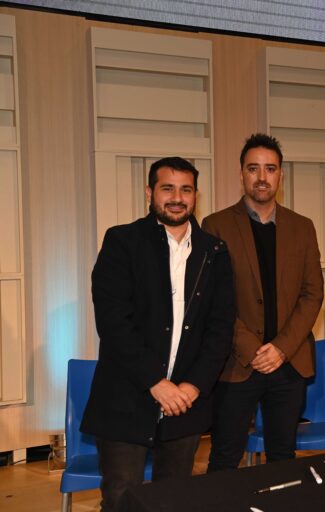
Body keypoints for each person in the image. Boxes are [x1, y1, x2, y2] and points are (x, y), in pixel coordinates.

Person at [81, 157, 234, 511]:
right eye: (168, 188)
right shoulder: (122, 241)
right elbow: (114, 322)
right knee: (123, 499)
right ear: (150, 193)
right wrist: (156, 382)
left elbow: (220, 327)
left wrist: (192, 386)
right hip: (127, 396)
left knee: (174, 500)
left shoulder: (215, 251)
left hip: (185, 401)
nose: (177, 198)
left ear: (196, 195)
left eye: (186, 189)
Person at [202, 133, 323, 468]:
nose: (262, 176)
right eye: (253, 168)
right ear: (241, 174)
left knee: (283, 455)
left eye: (270, 169)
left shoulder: (303, 227)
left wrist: (281, 348)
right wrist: (254, 349)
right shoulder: (216, 226)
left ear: (281, 175)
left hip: (289, 362)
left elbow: (312, 294)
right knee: (225, 456)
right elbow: (214, 299)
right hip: (237, 363)